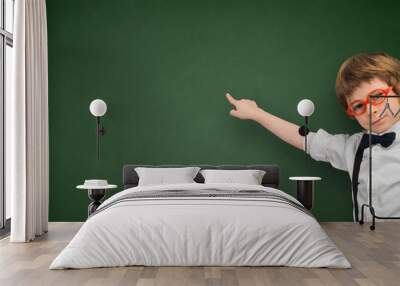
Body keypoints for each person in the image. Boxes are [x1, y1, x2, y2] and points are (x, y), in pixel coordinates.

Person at [225, 52, 400, 223]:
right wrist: (258, 114)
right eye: (359, 106)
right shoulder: (353, 147)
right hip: (372, 243)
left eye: (377, 96)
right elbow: (305, 139)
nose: (371, 111)